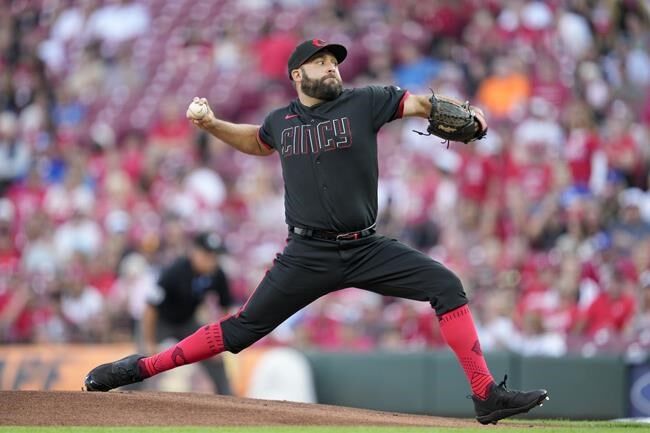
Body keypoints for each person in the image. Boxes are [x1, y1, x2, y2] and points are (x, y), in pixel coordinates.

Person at [84, 39, 548, 425]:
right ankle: (135, 368)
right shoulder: (281, 122)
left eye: (334, 63)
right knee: (241, 331)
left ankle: (486, 395)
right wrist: (211, 124)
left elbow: (420, 103)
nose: (332, 68)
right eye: (320, 62)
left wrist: (466, 114)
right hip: (306, 253)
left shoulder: (365, 102)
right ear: (297, 75)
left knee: (446, 286)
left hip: (365, 246)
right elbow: (255, 140)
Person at [140, 232, 234, 394]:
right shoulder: (174, 271)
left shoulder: (217, 274)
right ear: (194, 252)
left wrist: (220, 343)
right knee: (142, 360)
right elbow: (151, 307)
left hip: (187, 321)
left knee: (213, 354)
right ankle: (122, 393)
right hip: (160, 322)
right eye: (207, 254)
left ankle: (229, 398)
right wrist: (149, 341)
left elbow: (225, 308)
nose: (212, 260)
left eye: (215, 256)